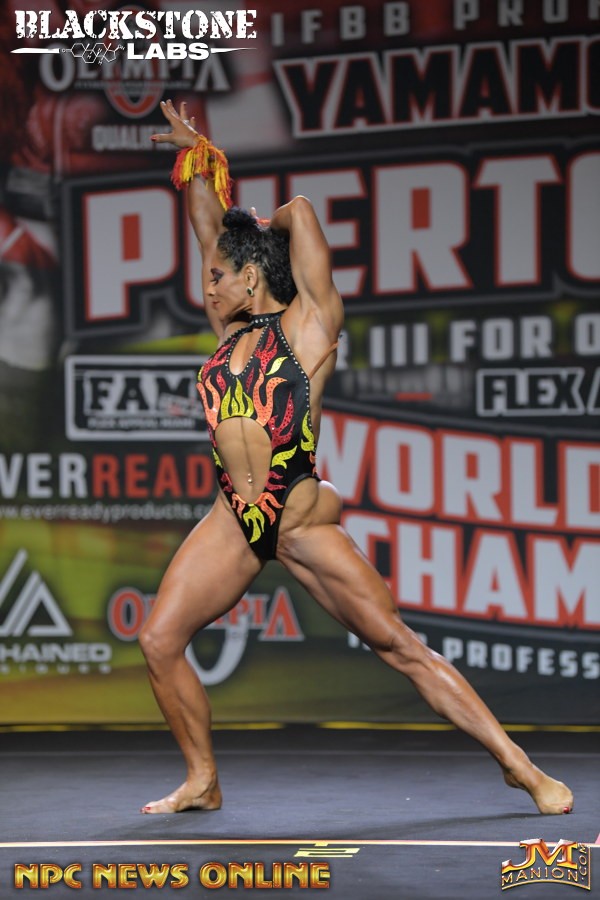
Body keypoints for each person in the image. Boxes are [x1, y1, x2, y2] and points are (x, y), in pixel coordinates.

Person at [139, 100, 573, 816]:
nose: (207, 285)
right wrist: (199, 157)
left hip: (299, 519)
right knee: (159, 640)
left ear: (253, 278)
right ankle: (203, 780)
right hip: (234, 520)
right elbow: (209, 229)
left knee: (399, 646)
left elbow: (301, 214)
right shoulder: (227, 326)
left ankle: (519, 766)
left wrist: (262, 227)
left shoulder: (310, 325)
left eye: (220, 275)